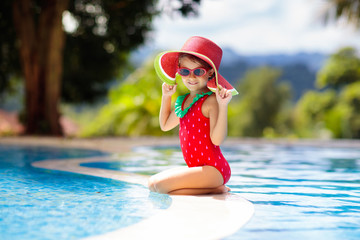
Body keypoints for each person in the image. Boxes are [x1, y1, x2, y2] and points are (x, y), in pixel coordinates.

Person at [148, 36, 238, 195]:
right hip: (198, 170)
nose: (191, 77)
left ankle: (217, 188)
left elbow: (217, 140)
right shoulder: (183, 102)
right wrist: (166, 96)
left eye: (198, 71)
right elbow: (165, 125)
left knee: (161, 187)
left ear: (210, 72)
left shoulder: (210, 101)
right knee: (151, 184)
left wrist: (223, 106)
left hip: (213, 170)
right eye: (184, 71)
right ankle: (215, 189)